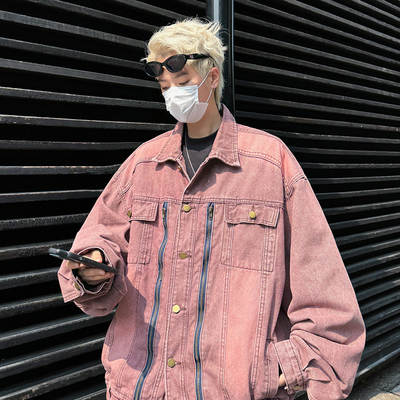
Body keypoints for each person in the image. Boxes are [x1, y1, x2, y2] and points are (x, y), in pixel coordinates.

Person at [57, 17, 366, 400]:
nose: (173, 94)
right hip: (141, 386)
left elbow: (323, 287)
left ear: (213, 77)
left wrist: (290, 369)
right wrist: (93, 264)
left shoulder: (270, 162)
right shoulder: (143, 164)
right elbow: (99, 238)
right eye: (165, 86)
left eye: (183, 81)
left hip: (233, 390)